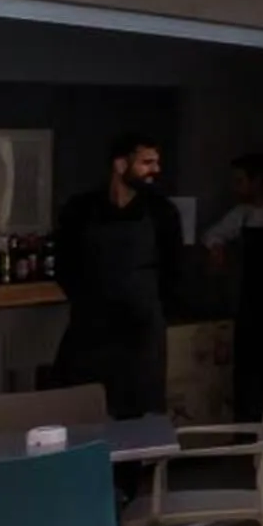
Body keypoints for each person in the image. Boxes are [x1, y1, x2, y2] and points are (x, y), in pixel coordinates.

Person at [54, 130, 186, 418]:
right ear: (120, 165)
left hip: (142, 336)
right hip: (90, 333)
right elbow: (64, 265)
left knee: (140, 419)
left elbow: (174, 270)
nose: (156, 170)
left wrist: (153, 309)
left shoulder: (163, 213)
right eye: (147, 162)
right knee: (83, 415)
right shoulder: (80, 210)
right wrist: (88, 302)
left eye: (156, 162)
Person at [202, 152, 263, 422]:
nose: (235, 187)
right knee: (248, 364)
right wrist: (216, 249)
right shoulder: (241, 214)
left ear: (258, 181)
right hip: (252, 299)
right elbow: (212, 234)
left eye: (240, 180)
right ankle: (249, 423)